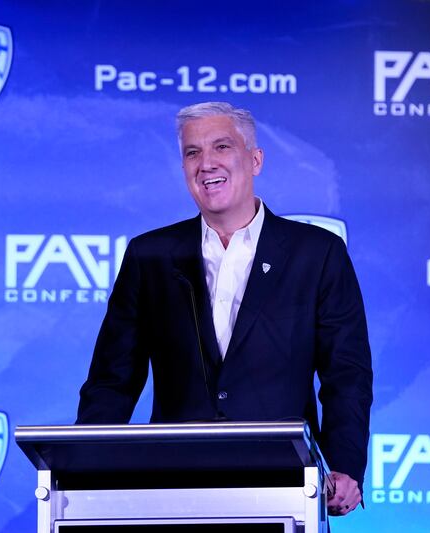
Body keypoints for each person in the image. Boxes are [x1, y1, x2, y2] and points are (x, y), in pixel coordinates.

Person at [77, 101, 372, 516]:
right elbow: (112, 380)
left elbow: (347, 373)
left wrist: (343, 466)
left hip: (283, 488)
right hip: (173, 490)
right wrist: (83, 468)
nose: (205, 163)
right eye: (192, 152)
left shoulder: (317, 254)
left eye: (221, 147)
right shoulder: (151, 257)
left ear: (255, 160)